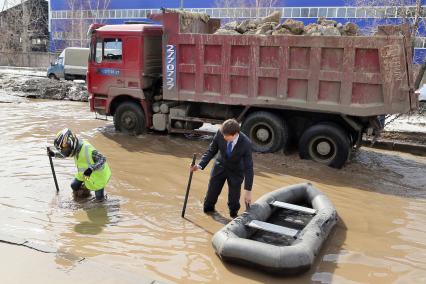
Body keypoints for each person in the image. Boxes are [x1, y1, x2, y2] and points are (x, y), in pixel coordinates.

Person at [191, 119, 254, 218]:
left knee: (234, 203)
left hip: (236, 171)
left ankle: (233, 216)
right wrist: (199, 165)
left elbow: (249, 167)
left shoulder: (246, 143)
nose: (224, 137)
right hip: (220, 167)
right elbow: (211, 151)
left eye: (226, 136)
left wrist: (248, 191)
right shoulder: (220, 133)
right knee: (209, 199)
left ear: (235, 134)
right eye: (223, 134)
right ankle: (209, 214)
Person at [47, 128, 111, 201]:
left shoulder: (87, 149)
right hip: (85, 174)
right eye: (63, 151)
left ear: (71, 143)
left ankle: (97, 198)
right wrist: (54, 154)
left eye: (65, 150)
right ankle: (85, 192)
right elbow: (67, 154)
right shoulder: (74, 149)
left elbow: (102, 159)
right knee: (74, 185)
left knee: (99, 199)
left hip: (98, 177)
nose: (64, 152)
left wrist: (91, 169)